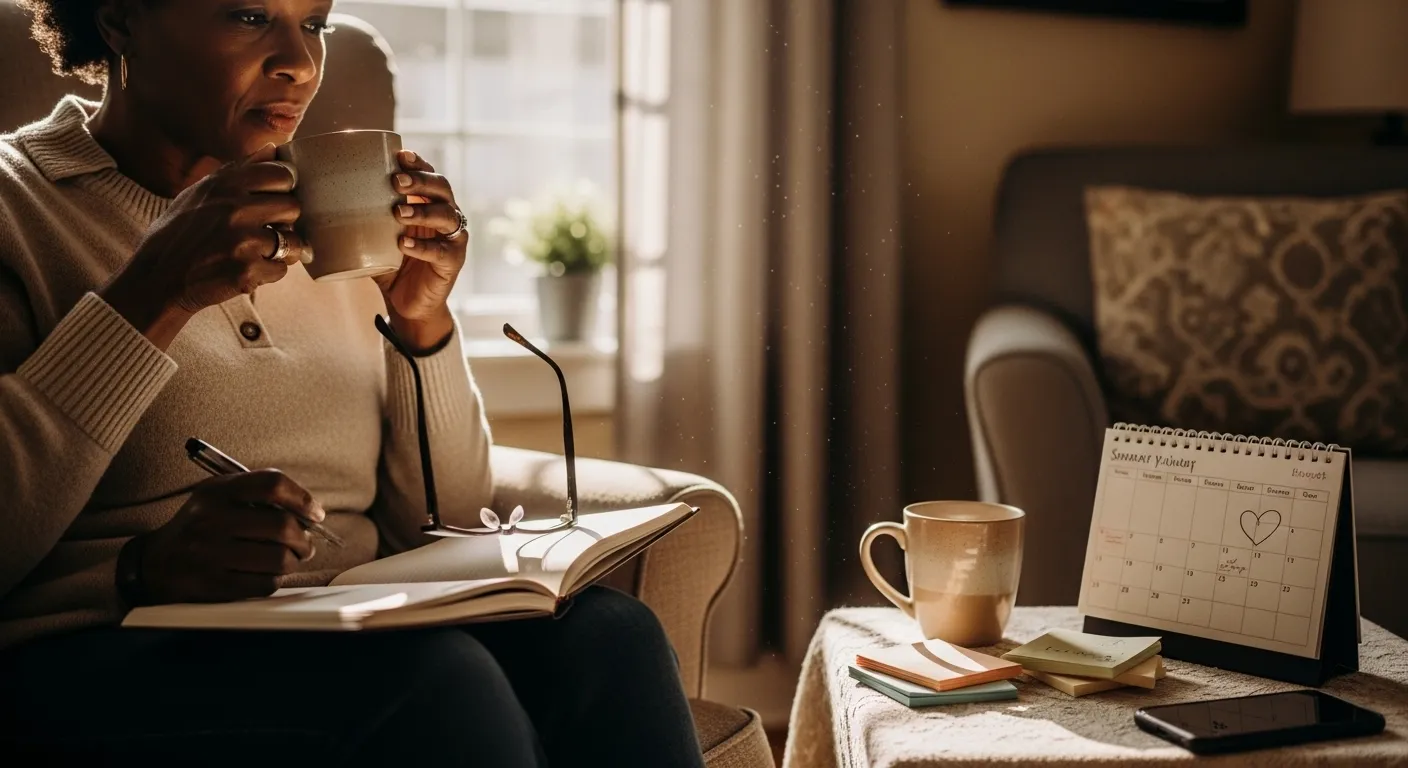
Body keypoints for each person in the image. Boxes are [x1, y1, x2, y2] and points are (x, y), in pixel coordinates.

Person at [0, 1, 706, 765]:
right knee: (436, 684)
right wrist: (154, 296)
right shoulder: (18, 208)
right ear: (120, 18)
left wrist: (420, 326)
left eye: (316, 24)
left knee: (611, 636)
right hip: (94, 652)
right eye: (248, 16)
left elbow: (448, 518)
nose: (298, 63)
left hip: (355, 625)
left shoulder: (331, 216)